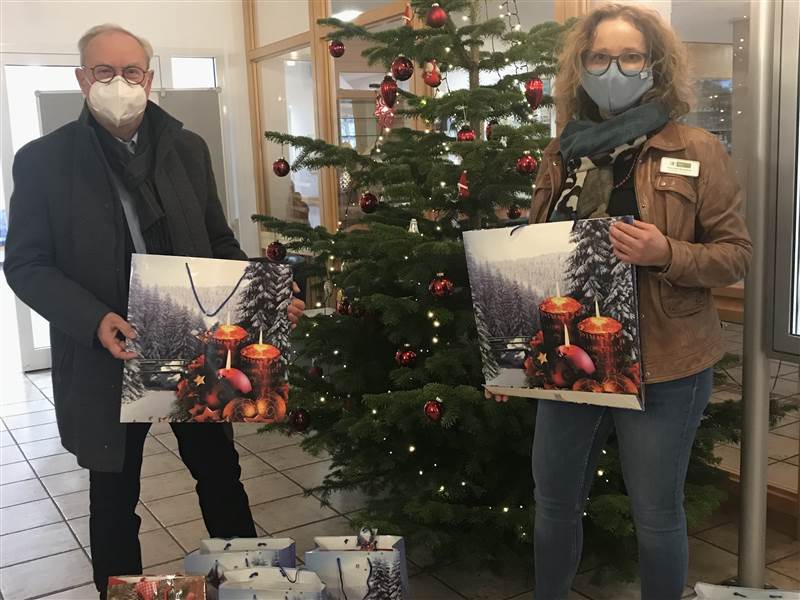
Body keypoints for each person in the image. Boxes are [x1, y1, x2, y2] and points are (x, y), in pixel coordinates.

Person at [4, 24, 305, 599]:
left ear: (150, 77)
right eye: (104, 72)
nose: (120, 83)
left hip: (199, 347)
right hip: (106, 354)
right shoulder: (43, 162)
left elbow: (218, 243)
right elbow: (25, 264)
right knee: (115, 497)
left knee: (221, 479)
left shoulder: (187, 150)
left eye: (132, 71)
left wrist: (262, 297)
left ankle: (251, 586)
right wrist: (93, 318)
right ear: (80, 79)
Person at [491, 4, 752, 599]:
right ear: (580, 66)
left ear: (653, 64)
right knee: (553, 503)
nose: (614, 68)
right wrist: (509, 352)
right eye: (600, 57)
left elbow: (735, 253)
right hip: (568, 357)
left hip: (668, 362)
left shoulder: (696, 148)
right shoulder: (563, 150)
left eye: (630, 56)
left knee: (657, 514)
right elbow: (540, 252)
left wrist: (666, 252)